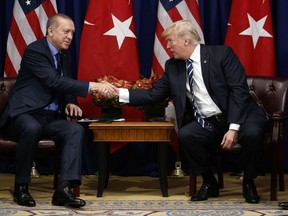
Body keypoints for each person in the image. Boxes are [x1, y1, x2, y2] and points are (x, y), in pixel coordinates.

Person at [116, 20, 267, 204]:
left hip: (242, 115)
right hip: (211, 121)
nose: (168, 46)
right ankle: (209, 182)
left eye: (171, 41)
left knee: (252, 134)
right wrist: (118, 93)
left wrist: (234, 128)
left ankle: (249, 182)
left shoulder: (221, 54)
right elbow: (153, 95)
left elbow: (239, 92)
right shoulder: (173, 66)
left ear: (186, 41)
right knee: (187, 135)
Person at [0, 13, 117, 207]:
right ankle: (21, 187)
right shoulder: (35, 51)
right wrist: (94, 87)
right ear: (50, 31)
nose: (70, 36)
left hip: (49, 116)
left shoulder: (65, 55)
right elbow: (53, 80)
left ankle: (64, 189)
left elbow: (64, 83)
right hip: (24, 113)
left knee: (75, 129)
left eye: (72, 32)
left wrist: (71, 101)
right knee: (32, 128)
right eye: (66, 31)